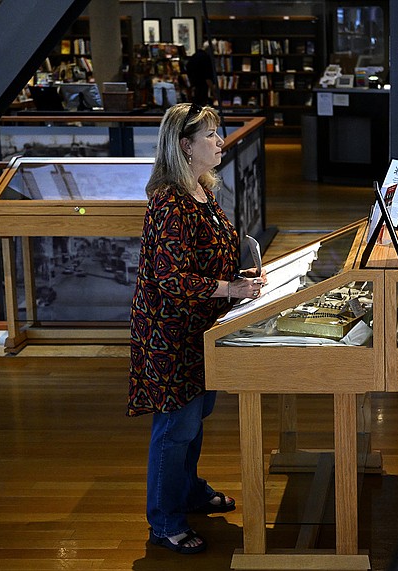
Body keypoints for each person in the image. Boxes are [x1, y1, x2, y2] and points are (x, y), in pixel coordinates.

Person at [127, 103, 266, 554]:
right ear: (185, 146)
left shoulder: (202, 192)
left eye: (218, 133)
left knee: (195, 418)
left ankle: (187, 492)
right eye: (210, 135)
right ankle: (165, 520)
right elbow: (171, 279)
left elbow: (208, 259)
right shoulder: (169, 202)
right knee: (176, 426)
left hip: (200, 328)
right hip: (170, 334)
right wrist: (229, 289)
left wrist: (237, 281)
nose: (220, 141)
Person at [186, 41, 215, 106]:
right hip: (202, 88)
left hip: (193, 86)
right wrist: (214, 92)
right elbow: (208, 77)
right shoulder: (206, 58)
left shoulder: (194, 56)